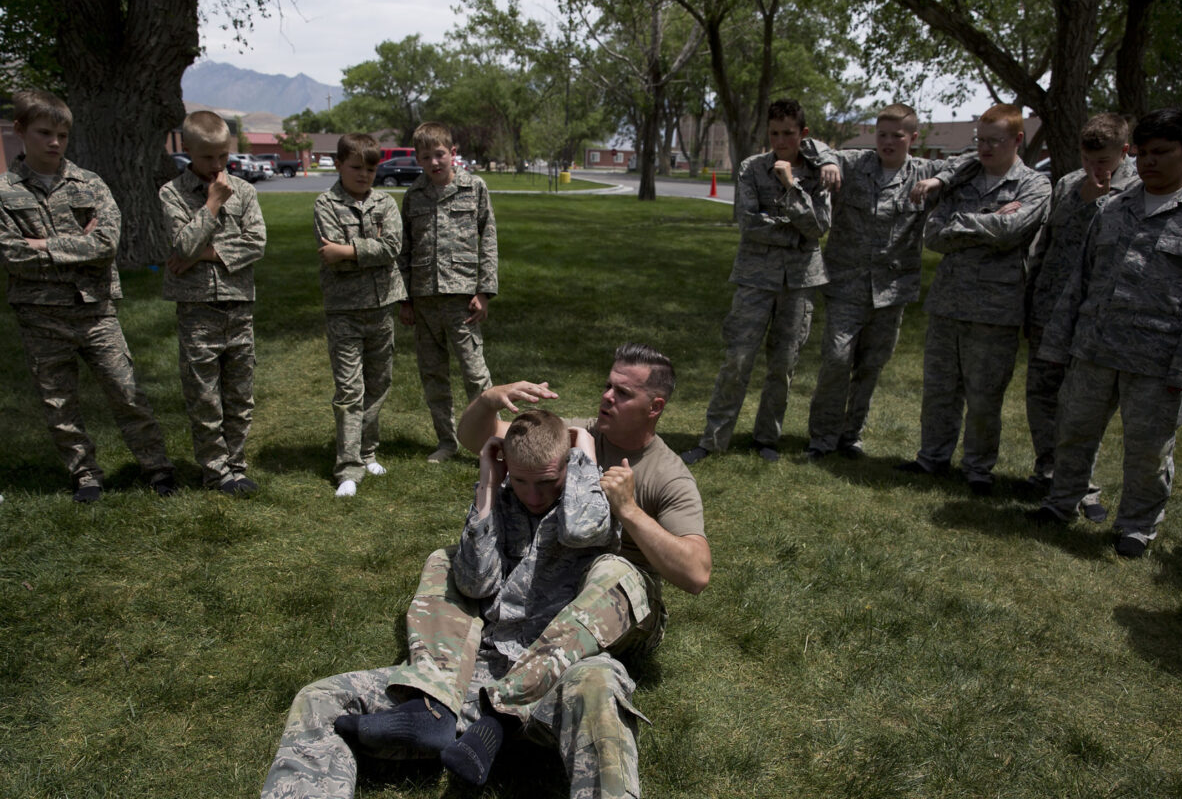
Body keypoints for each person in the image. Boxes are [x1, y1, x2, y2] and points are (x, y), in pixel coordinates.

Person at [261, 343, 710, 799]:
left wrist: (629, 510)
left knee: (613, 578)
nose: (606, 397)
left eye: (623, 392)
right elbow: (486, 440)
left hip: (607, 621)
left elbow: (696, 574)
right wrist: (488, 402)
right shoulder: (568, 437)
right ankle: (435, 704)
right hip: (517, 636)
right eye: (607, 385)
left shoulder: (666, 474)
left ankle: (495, 713)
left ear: (655, 406)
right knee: (324, 695)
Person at [1033, 109, 1182, 558]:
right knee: (1072, 432)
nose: (1149, 162)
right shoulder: (1112, 208)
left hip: (1156, 360)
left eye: (1163, 152)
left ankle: (1137, 526)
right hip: (1093, 349)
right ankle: (1060, 503)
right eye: (1143, 153)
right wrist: (1058, 342)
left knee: (1148, 452)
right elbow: (1079, 282)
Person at [1, 89, 174, 502]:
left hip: (95, 309)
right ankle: (85, 475)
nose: (54, 142)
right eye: (44, 132)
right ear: (21, 130)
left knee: (126, 390)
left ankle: (157, 467)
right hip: (40, 314)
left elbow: (106, 244)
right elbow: (10, 255)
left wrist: (44, 246)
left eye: (62, 133)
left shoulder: (90, 184)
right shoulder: (5, 192)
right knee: (58, 403)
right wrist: (73, 245)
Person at [805, 103, 978, 460]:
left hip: (891, 289)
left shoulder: (924, 171)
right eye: (881, 134)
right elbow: (813, 146)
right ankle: (822, 438)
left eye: (896, 136)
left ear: (913, 137)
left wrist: (937, 180)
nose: (887, 142)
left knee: (871, 365)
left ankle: (851, 435)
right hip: (847, 283)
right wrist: (829, 162)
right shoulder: (855, 163)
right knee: (837, 360)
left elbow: (973, 160)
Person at [895, 103, 1051, 494]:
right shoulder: (958, 182)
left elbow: (1011, 232)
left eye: (994, 141)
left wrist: (965, 224)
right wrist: (990, 216)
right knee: (939, 390)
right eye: (980, 141)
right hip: (949, 303)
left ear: (1018, 140)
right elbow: (932, 235)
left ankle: (978, 468)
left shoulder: (1034, 185)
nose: (984, 149)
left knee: (984, 397)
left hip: (996, 311)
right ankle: (932, 458)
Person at [682, 98, 832, 464]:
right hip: (755, 279)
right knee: (737, 359)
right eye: (775, 133)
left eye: (789, 134)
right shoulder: (751, 168)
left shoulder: (818, 173)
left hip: (798, 283)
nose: (781, 141)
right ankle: (713, 438)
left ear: (804, 134)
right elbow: (749, 223)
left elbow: (821, 226)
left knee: (783, 365)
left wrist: (790, 184)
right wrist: (796, 231)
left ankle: (767, 438)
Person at [1023, 113, 1137, 520]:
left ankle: (1082, 486)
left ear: (1125, 152)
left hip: (1092, 317)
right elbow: (1046, 245)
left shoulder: (1137, 191)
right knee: (1041, 394)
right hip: (1048, 308)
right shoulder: (1069, 184)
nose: (1095, 168)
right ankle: (1048, 469)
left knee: (1082, 405)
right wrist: (1030, 299)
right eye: (1088, 159)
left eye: (1103, 160)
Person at [160, 110, 266, 494]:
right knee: (204, 397)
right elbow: (182, 243)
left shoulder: (246, 191)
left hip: (238, 308)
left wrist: (200, 254)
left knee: (239, 396)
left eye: (223, 156)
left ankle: (236, 464)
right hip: (197, 311)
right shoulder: (172, 194)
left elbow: (256, 243)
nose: (217, 166)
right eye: (207, 158)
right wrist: (212, 205)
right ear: (186, 149)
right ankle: (215, 470)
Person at [398, 121, 497, 464]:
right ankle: (447, 441)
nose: (434, 162)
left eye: (439, 154)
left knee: (475, 374)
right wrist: (405, 300)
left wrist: (485, 291)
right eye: (426, 157)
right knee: (433, 374)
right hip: (425, 300)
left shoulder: (475, 188)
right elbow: (404, 250)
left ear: (452, 153)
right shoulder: (413, 196)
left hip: (462, 300)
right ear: (418, 159)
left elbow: (489, 240)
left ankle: (489, 441)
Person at [312, 133, 405, 498]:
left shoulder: (386, 201)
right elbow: (328, 253)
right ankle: (348, 467)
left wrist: (346, 251)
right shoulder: (326, 203)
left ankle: (367, 452)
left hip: (382, 308)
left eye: (370, 168)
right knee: (350, 389)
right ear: (338, 165)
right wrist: (369, 250)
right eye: (355, 167)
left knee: (379, 383)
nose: (364, 175)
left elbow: (393, 247)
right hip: (344, 310)